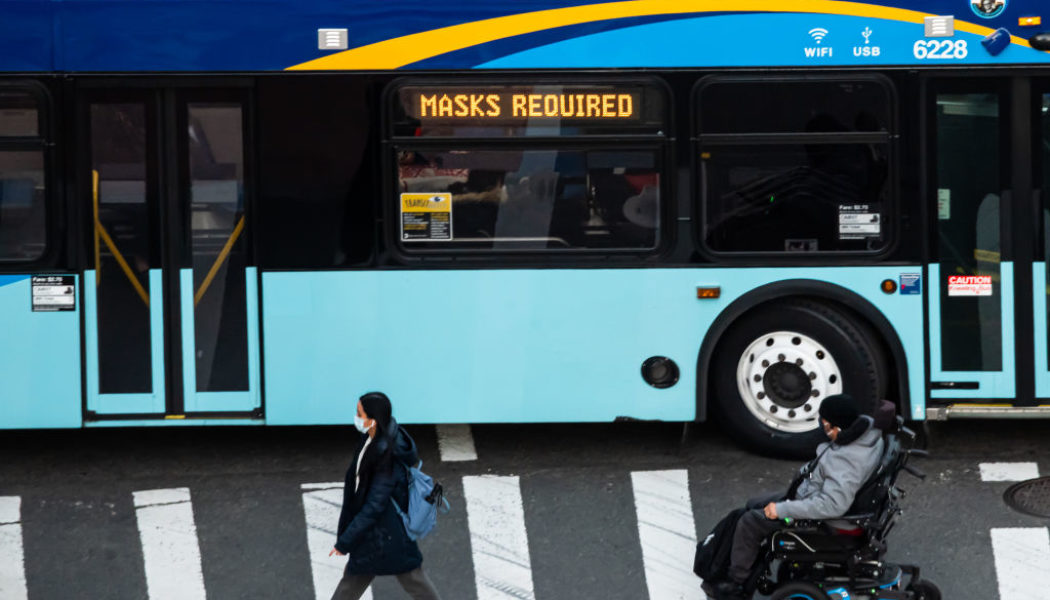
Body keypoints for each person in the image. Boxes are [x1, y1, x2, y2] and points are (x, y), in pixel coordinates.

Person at [709, 394, 886, 600]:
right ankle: (746, 566)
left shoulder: (847, 462)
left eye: (825, 423)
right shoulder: (866, 436)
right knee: (753, 505)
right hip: (810, 493)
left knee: (749, 522)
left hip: (825, 518)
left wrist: (782, 510)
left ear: (837, 428)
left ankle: (736, 585)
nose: (822, 426)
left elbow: (832, 505)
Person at [329, 392, 443, 600]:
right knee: (411, 579)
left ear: (373, 419)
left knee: (408, 579)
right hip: (382, 534)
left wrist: (344, 542)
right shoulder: (375, 440)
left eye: (359, 413)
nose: (356, 417)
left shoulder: (384, 456)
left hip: (384, 535)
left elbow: (374, 506)